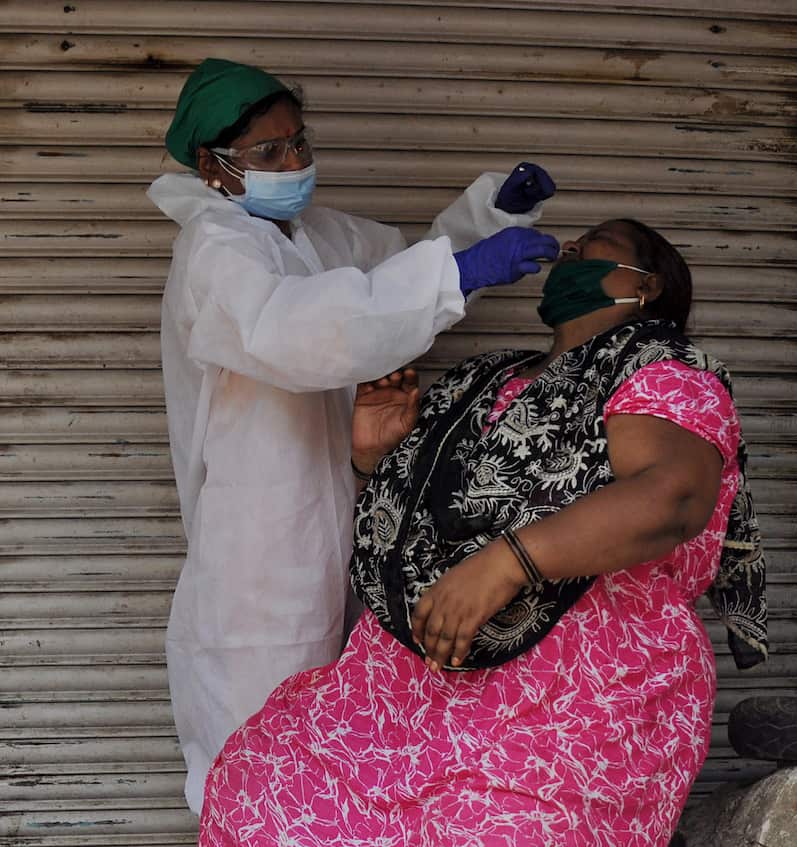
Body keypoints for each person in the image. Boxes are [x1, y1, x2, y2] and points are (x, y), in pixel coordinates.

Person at [198, 219, 769, 845]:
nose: (572, 252)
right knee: (261, 790)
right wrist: (376, 457)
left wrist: (506, 566)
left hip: (572, 694)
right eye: (569, 248)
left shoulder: (665, 370)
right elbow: (430, 530)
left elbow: (673, 498)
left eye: (597, 243)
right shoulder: (487, 377)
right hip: (411, 687)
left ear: (647, 283)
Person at [150, 57, 561, 812]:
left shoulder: (312, 233)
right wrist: (458, 276)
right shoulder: (217, 249)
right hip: (259, 566)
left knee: (331, 764)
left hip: (336, 527)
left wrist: (489, 219)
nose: (295, 163)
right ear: (212, 166)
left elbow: (394, 273)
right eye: (269, 153)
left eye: (299, 142)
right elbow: (302, 332)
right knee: (255, 764)